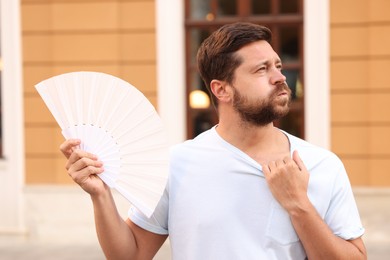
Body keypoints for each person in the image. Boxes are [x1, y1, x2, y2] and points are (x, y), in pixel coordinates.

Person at [60, 22, 367, 259]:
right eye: (262, 69)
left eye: (278, 66)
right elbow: (132, 254)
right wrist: (100, 196)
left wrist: (299, 205)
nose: (279, 77)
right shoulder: (176, 164)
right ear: (222, 90)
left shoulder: (322, 165)